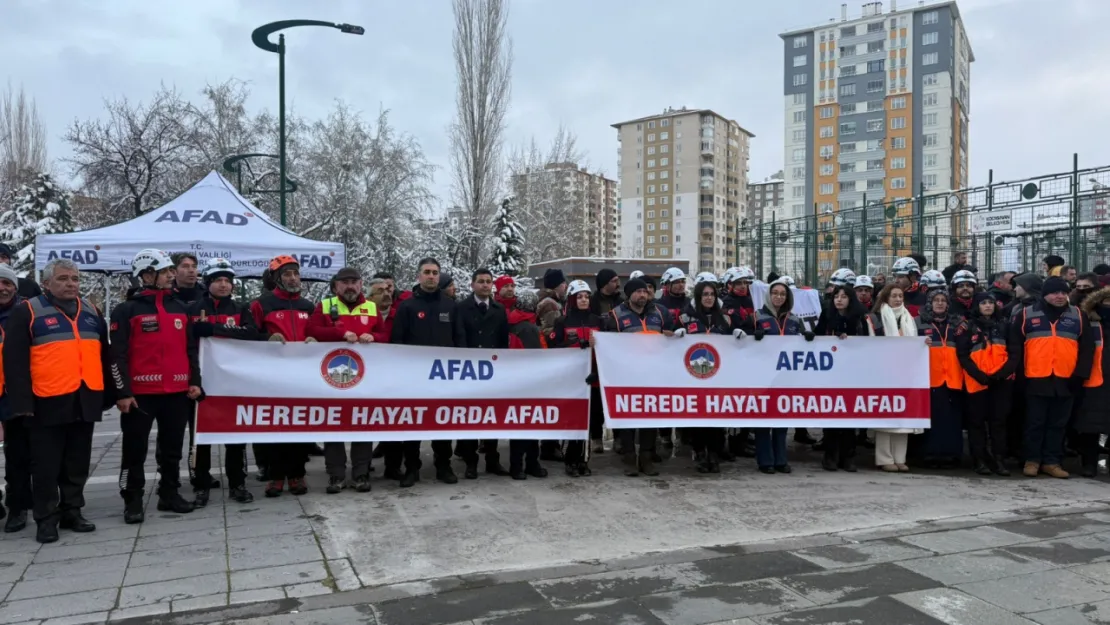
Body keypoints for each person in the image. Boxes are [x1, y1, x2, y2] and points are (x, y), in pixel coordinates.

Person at [2, 260, 110, 543]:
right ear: (47, 283)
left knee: (77, 461)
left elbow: (104, 356)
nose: (71, 283)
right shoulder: (27, 311)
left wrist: (110, 395)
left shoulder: (91, 311)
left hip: (84, 397)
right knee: (46, 465)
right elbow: (14, 362)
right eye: (63, 278)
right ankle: (46, 518)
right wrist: (22, 403)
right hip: (45, 400)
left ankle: (72, 510)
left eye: (74, 278)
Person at [111, 249, 202, 523]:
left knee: (172, 447)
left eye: (170, 271)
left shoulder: (179, 307)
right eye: (165, 272)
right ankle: (133, 499)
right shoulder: (127, 309)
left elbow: (190, 349)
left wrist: (194, 381)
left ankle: (169, 494)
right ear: (147, 275)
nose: (171, 276)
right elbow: (117, 355)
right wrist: (123, 392)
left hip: (176, 392)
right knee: (134, 449)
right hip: (140, 395)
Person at [187, 258, 262, 506]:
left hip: (232, 380)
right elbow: (186, 345)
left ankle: (238, 483)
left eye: (227, 281)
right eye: (217, 280)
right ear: (208, 283)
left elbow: (251, 334)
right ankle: (201, 484)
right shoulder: (193, 307)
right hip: (202, 380)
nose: (223, 285)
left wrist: (215, 330)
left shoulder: (241, 308)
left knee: (235, 434)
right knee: (200, 436)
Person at [390, 257, 466, 487]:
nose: (431, 276)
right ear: (419, 276)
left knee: (442, 422)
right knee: (413, 423)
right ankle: (412, 468)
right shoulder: (407, 306)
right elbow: (397, 341)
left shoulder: (450, 305)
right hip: (414, 379)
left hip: (444, 377)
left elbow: (459, 339)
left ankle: (443, 465)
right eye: (427, 272)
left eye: (435, 272)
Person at [1009, 276, 1095, 479]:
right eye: (1055, 292)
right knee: (1034, 422)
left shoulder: (1078, 315)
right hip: (1035, 378)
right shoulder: (1026, 315)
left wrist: (1079, 375)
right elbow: (1015, 347)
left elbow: (1087, 348)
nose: (1060, 296)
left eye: (1064, 292)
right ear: (1045, 294)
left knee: (1058, 424)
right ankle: (1032, 460)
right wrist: (1020, 376)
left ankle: (1052, 461)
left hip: (1066, 380)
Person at [307, 266, 380, 495]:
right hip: (333, 378)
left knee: (363, 424)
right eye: (344, 282)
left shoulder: (371, 307)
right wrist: (339, 335)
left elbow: (387, 333)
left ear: (361, 284)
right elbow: (312, 329)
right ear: (336, 285)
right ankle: (336, 473)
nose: (349, 286)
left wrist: (374, 336)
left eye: (353, 282)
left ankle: (361, 472)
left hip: (365, 378)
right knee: (333, 424)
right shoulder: (325, 306)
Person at [250, 255, 317, 496]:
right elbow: (249, 336)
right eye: (287, 274)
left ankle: (297, 475)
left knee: (300, 425)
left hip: (302, 376)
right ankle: (276, 476)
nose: (293, 278)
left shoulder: (308, 306)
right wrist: (265, 339)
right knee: (275, 426)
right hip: (272, 376)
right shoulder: (261, 305)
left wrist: (316, 340)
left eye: (295, 273)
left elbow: (318, 331)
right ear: (277, 279)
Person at [598, 277, 667, 476]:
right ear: (629, 295)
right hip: (625, 376)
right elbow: (607, 342)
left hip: (653, 375)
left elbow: (670, 337)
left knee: (650, 419)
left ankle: (646, 457)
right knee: (627, 419)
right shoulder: (615, 316)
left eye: (645, 291)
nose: (643, 295)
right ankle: (629, 458)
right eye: (638, 292)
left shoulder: (660, 313)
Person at [455, 269, 511, 479]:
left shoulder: (498, 310)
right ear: (473, 285)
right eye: (481, 282)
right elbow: (459, 336)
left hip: (492, 371)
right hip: (469, 370)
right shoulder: (461, 308)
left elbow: (502, 340)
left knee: (491, 416)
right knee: (470, 417)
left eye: (488, 282)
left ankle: (492, 460)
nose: (485, 285)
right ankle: (471, 462)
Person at [752, 277, 812, 474]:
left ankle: (781, 460)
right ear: (769, 295)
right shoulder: (757, 316)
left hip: (786, 378)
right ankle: (765, 461)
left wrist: (809, 338)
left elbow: (805, 344)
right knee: (763, 422)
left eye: (782, 294)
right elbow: (741, 342)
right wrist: (753, 335)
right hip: (762, 378)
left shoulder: (795, 319)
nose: (778, 297)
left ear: (788, 297)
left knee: (782, 421)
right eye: (775, 293)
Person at [682, 274, 735, 473]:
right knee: (698, 419)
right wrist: (675, 334)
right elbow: (669, 338)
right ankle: (700, 454)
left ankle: (714, 453)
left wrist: (740, 334)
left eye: (712, 294)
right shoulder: (685, 318)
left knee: (716, 419)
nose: (709, 298)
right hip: (693, 378)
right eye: (704, 294)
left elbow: (737, 341)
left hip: (718, 378)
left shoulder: (726, 319)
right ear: (698, 296)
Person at [958, 292, 1014, 476]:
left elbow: (1015, 352)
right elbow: (963, 354)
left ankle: (999, 459)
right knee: (976, 423)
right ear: (977, 306)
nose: (988, 306)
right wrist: (978, 375)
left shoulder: (1005, 324)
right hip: (976, 381)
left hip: (1001, 381)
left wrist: (1002, 374)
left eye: (991, 302)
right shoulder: (968, 326)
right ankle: (979, 459)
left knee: (999, 423)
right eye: (984, 303)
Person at [549, 280, 601, 477]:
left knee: (589, 421)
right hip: (571, 380)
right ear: (572, 299)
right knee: (573, 421)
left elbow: (606, 350)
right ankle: (570, 459)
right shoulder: (562, 322)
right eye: (579, 297)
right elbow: (554, 350)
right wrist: (575, 345)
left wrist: (598, 371)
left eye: (586, 296)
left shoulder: (598, 320)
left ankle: (583, 460)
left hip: (592, 379)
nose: (584, 300)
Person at [815, 285, 869, 472]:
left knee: (850, 418)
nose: (839, 299)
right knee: (831, 417)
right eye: (836, 296)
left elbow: (869, 342)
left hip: (853, 374)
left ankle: (848, 457)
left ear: (850, 299)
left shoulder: (860, 317)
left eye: (844, 296)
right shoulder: (827, 315)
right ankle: (830, 457)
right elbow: (817, 337)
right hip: (830, 374)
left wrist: (851, 340)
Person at [870, 284, 921, 471]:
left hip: (906, 372)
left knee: (904, 415)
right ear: (885, 298)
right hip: (885, 372)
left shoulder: (909, 318)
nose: (898, 299)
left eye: (900, 296)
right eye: (894, 296)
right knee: (886, 415)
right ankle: (884, 458)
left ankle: (900, 458)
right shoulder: (875, 318)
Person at [917, 290, 966, 468]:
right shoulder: (918, 323)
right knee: (933, 418)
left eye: (943, 300)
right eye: (936, 300)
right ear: (930, 303)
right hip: (930, 377)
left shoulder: (958, 324)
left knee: (952, 419)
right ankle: (931, 454)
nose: (939, 303)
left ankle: (952, 454)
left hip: (953, 378)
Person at [0, 264, 31, 534]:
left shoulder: (26, 313)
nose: (2, 287)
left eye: (7, 283)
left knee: (18, 456)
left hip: (17, 395)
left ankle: (18, 507)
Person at [1077, 283, 1110, 477]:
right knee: (1090, 426)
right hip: (1093, 380)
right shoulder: (1089, 323)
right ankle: (1088, 463)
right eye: (1106, 301)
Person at [535, 268, 567, 337]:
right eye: (563, 283)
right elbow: (550, 331)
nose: (566, 285)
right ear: (556, 286)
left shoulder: (555, 299)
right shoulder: (549, 304)